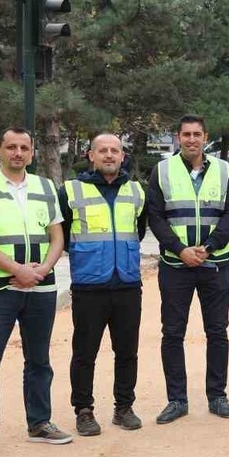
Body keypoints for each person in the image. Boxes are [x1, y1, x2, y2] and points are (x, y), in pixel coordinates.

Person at [0, 127, 70, 457]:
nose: (17, 153)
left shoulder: (45, 186)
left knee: (39, 361)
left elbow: (57, 237)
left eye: (24, 147)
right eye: (11, 147)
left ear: (32, 152)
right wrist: (16, 269)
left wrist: (42, 270)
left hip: (39, 288)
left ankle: (39, 423)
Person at [146, 115, 229, 424]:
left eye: (197, 134)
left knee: (217, 331)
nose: (191, 139)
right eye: (186, 134)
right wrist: (180, 249)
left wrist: (210, 246)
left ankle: (217, 396)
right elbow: (156, 216)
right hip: (176, 265)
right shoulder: (162, 170)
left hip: (214, 263)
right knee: (173, 333)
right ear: (177, 137)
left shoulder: (224, 170)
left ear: (206, 137)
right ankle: (177, 400)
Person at [59, 133, 148, 436]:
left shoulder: (136, 192)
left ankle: (124, 408)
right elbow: (64, 236)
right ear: (91, 156)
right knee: (85, 352)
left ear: (123, 156)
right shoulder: (71, 191)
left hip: (127, 284)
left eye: (115, 151)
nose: (110, 155)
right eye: (103, 151)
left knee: (127, 352)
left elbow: (140, 230)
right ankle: (83, 410)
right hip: (89, 286)